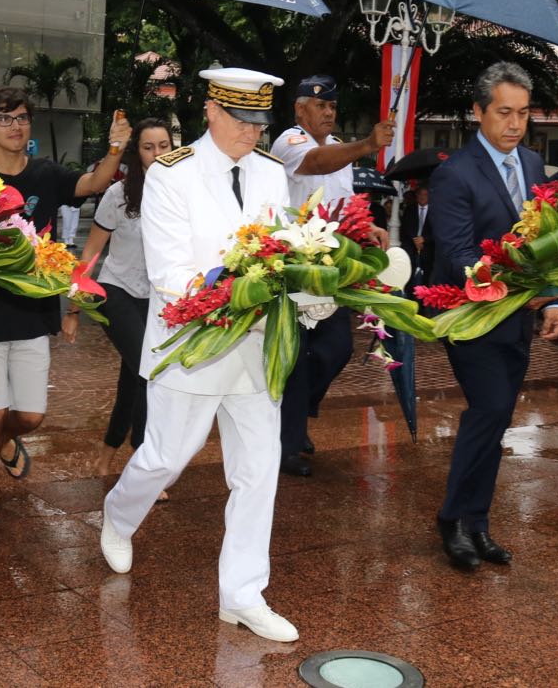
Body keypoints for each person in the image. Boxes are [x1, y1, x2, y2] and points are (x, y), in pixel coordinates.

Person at [101, 68, 299, 643]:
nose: (251, 132)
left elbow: (281, 249)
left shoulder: (269, 173)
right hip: (192, 343)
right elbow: (169, 272)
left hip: (259, 345)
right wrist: (240, 295)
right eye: (241, 120)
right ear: (211, 110)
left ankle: (243, 594)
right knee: (166, 457)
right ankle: (118, 515)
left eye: (260, 122)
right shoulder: (172, 174)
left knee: (259, 470)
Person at [0, 88, 130, 525]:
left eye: (21, 118)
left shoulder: (46, 174)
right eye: (4, 119)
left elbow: (93, 183)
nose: (15, 126)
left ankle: (3, 440)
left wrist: (116, 146)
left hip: (34, 310)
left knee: (31, 417)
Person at [429, 62, 558, 569]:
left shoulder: (531, 164)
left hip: (520, 313)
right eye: (504, 112)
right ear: (478, 112)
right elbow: (459, 251)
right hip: (473, 315)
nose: (514, 124)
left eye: (523, 114)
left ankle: (477, 522)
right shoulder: (454, 172)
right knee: (488, 409)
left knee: (500, 416)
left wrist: (549, 298)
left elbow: (544, 242)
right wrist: (514, 289)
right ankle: (454, 519)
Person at [268, 75, 393, 476]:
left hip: (332, 266)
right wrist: (369, 145)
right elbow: (313, 164)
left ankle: (297, 413)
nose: (327, 113)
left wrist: (367, 226)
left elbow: (344, 202)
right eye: (320, 106)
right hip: (295, 264)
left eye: (333, 108)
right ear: (299, 109)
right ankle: (288, 446)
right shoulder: (288, 142)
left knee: (336, 349)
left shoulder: (341, 150)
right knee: (295, 358)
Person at [62, 119, 173, 482]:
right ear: (136, 152)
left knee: (133, 380)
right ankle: (143, 466)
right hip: (117, 292)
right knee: (149, 371)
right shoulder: (119, 195)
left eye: (163, 146)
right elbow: (90, 253)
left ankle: (106, 456)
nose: (157, 154)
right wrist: (75, 309)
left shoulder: (182, 195)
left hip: (156, 300)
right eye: (148, 147)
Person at [400, 185, 434, 285]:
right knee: (408, 270)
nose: (422, 197)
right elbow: (406, 227)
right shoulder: (410, 209)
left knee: (427, 275)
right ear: (416, 196)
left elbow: (438, 229)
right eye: (420, 194)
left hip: (428, 246)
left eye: (425, 194)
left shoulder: (436, 210)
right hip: (411, 244)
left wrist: (424, 239)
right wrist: (415, 239)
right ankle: (408, 291)